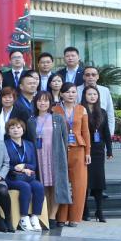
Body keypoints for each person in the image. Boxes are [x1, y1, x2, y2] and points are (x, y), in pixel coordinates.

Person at [31, 91, 72, 227]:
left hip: (55, 156)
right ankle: (43, 216)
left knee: (56, 186)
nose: (42, 103)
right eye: (39, 100)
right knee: (42, 187)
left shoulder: (58, 118)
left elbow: (65, 139)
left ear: (50, 103)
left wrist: (63, 157)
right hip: (38, 157)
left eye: (45, 100)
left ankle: (52, 216)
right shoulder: (31, 120)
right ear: (35, 102)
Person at [54, 83, 90, 227]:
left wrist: (88, 152)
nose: (71, 94)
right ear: (61, 94)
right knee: (62, 183)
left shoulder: (82, 109)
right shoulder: (54, 109)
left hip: (78, 149)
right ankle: (61, 217)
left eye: (73, 92)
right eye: (68, 92)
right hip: (60, 150)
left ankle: (75, 217)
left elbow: (86, 132)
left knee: (79, 185)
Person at [4, 118, 43, 232]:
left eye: (18, 127)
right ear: (8, 131)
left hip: (27, 176)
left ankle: (35, 217)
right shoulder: (4, 144)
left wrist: (25, 166)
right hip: (11, 177)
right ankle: (24, 218)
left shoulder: (29, 144)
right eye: (12, 128)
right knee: (25, 187)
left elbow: (34, 165)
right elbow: (3, 164)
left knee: (39, 186)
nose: (16, 130)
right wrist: (15, 168)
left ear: (23, 130)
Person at [83, 84, 112, 223]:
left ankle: (99, 211)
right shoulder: (80, 110)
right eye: (89, 94)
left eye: (95, 94)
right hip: (84, 150)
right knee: (85, 181)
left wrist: (109, 150)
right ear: (84, 96)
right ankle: (84, 210)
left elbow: (106, 132)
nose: (92, 96)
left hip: (98, 150)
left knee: (99, 181)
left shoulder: (102, 112)